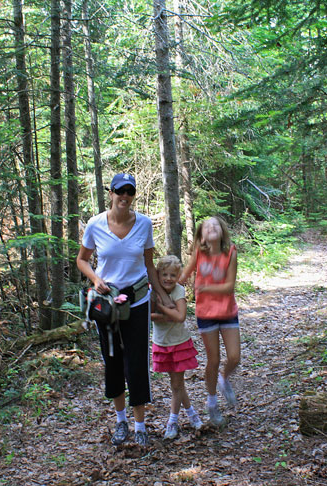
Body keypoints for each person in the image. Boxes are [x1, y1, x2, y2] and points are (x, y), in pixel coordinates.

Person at [76, 173, 171, 447]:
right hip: (106, 305)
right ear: (111, 192)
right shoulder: (95, 224)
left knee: (137, 362)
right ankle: (120, 422)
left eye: (129, 192)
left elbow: (149, 264)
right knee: (113, 361)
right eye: (120, 191)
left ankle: (140, 425)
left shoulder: (143, 224)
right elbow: (82, 260)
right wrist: (95, 279)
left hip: (137, 301)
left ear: (133, 195)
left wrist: (162, 296)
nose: (124, 197)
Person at [179, 216, 241, 427]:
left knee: (234, 356)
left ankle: (224, 379)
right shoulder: (199, 253)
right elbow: (184, 275)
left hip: (227, 311)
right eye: (207, 227)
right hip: (206, 313)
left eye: (216, 225)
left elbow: (229, 286)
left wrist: (204, 288)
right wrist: (164, 284)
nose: (212, 228)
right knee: (212, 360)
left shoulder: (230, 252)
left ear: (222, 231)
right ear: (202, 236)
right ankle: (212, 403)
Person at [150, 255, 204, 439]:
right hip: (161, 342)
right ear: (157, 275)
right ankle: (192, 415)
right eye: (164, 274)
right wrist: (166, 314)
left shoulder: (179, 291)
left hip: (178, 343)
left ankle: (172, 422)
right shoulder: (152, 291)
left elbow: (180, 316)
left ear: (178, 276)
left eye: (173, 275)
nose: (168, 279)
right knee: (177, 385)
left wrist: (162, 308)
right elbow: (148, 315)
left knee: (176, 385)